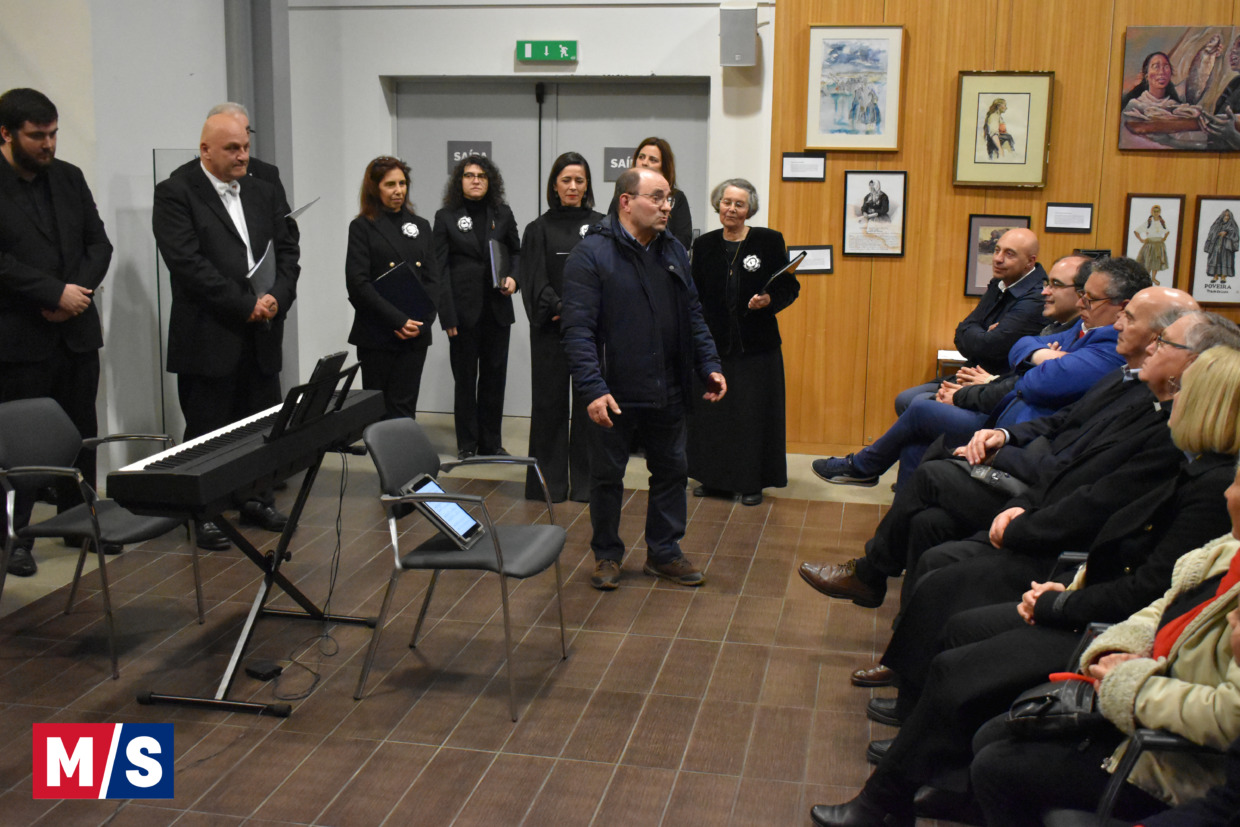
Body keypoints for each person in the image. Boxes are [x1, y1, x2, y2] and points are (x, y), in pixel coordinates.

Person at [808, 339, 1240, 827]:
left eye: (1185, 392)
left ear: (1208, 407)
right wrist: (1064, 589)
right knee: (936, 545)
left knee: (957, 655)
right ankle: (935, 770)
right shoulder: (1195, 466)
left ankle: (884, 799)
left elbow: (1142, 579)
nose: (1173, 400)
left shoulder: (1205, 483)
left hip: (1102, 627)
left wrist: (1061, 603)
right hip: (1087, 596)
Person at [799, 284, 1197, 614]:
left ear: (1163, 341)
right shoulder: (1120, 370)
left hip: (1042, 501)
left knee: (932, 464)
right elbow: (1011, 355)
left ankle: (870, 570)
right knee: (928, 520)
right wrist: (1005, 433)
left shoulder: (1141, 391)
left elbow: (1049, 408)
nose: (1116, 322)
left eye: (1129, 317)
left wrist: (1002, 442)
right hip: (1021, 450)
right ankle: (903, 641)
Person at [970, 531, 1240, 825]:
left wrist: (1134, 686)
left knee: (995, 767)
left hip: (1172, 757)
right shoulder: (1228, 550)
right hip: (1130, 704)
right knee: (992, 732)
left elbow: (1231, 716)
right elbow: (1161, 606)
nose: (1227, 494)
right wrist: (1116, 648)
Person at [815, 255, 1147, 489]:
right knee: (915, 440)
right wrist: (1044, 356)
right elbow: (995, 341)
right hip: (997, 399)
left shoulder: (1109, 343)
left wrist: (972, 391)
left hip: (1021, 432)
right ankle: (893, 539)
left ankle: (864, 466)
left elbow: (1028, 376)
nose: (1048, 292)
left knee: (919, 408)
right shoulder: (1077, 327)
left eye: (1088, 297)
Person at [561, 167, 725, 591]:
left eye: (669, 198)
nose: (666, 207)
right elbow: (578, 331)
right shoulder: (590, 254)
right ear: (626, 202)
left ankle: (664, 553)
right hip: (613, 391)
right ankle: (607, 554)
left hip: (667, 387)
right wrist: (593, 389)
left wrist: (709, 364)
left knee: (671, 471)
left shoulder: (673, 251)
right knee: (607, 477)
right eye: (657, 198)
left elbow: (693, 315)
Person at [152, 109, 300, 550]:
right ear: (205, 150)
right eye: (232, 148)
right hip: (209, 334)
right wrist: (244, 304)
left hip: (262, 331)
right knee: (208, 431)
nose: (242, 156)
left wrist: (277, 296)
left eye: (246, 147)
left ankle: (257, 498)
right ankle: (205, 513)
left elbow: (288, 250)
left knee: (261, 426)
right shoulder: (176, 192)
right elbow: (187, 264)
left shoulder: (262, 189)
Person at [0, 88, 113, 576]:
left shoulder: (68, 176)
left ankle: (79, 522)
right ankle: (15, 537)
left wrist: (75, 295)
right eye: (36, 135)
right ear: (6, 134)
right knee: (20, 445)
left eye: (53, 134)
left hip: (76, 330)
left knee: (80, 434)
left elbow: (98, 244)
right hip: (20, 336)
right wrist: (52, 293)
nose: (48, 144)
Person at [686, 178, 799, 506]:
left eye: (739, 204)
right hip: (714, 347)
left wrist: (769, 300)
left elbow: (789, 287)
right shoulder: (704, 245)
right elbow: (694, 294)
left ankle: (752, 482)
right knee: (715, 414)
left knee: (751, 416)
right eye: (726, 202)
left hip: (757, 348)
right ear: (717, 205)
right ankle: (713, 480)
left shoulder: (768, 241)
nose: (732, 209)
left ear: (750, 209)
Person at [518, 152, 604, 502]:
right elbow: (533, 279)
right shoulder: (537, 229)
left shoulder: (603, 225)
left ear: (587, 185)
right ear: (554, 185)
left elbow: (609, 275)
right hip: (550, 331)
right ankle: (547, 485)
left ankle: (587, 485)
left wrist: (582, 312)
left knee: (590, 406)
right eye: (566, 180)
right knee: (549, 407)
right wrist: (561, 307)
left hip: (592, 332)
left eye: (579, 180)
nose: (572, 186)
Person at [887, 228, 1045, 415]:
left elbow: (991, 346)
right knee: (905, 399)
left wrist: (983, 334)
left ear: (1030, 261)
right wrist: (984, 333)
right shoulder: (999, 284)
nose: (998, 259)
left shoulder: (1038, 297)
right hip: (969, 375)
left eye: (1009, 254)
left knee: (917, 404)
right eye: (997, 250)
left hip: (995, 389)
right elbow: (962, 332)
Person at [433, 154, 520, 460]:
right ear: (460, 181)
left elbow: (517, 253)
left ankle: (491, 443)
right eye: (469, 175)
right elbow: (439, 270)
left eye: (481, 176)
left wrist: (514, 278)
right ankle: (467, 445)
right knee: (466, 381)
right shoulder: (446, 217)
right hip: (462, 313)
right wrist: (447, 315)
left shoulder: (503, 213)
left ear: (489, 181)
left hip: (497, 310)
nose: (475, 180)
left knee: (495, 379)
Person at [344, 156, 440, 420]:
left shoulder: (421, 226)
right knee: (379, 412)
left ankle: (404, 450)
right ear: (375, 188)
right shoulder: (362, 227)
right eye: (390, 185)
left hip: (415, 332)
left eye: (402, 183)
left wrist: (423, 322)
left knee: (405, 410)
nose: (398, 190)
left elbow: (433, 279)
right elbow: (358, 283)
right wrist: (397, 320)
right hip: (379, 332)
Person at [171, 102, 296, 242]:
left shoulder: (265, 174)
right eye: (232, 129)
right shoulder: (182, 180)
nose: (241, 137)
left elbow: (287, 230)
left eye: (246, 131)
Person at [607, 138, 693, 250]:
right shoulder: (624, 194)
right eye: (641, 157)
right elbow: (610, 228)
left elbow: (684, 240)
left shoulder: (677, 197)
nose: (644, 163)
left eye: (653, 160)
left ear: (664, 167)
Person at [1134, 204, 1171, 285]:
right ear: (1152, 212)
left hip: (1158, 245)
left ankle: (1154, 278)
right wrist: (1141, 239)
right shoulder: (1149, 222)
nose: (1156, 213)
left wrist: (1164, 238)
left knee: (1156, 262)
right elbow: (1136, 231)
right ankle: (1147, 278)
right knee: (1148, 261)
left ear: (1160, 212)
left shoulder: (1162, 222)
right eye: (1154, 211)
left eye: (1158, 211)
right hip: (1150, 245)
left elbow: (1167, 231)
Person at [1205, 209, 1239, 284]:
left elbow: (1235, 234)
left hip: (1226, 246)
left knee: (1225, 260)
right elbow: (1212, 232)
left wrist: (1226, 232)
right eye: (1225, 215)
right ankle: (1215, 276)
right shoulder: (1217, 224)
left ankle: (1223, 276)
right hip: (1216, 245)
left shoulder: (1232, 225)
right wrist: (1218, 233)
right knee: (1215, 259)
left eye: (1228, 216)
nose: (1226, 217)